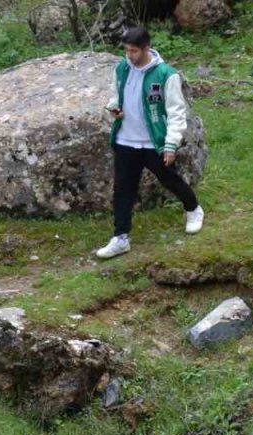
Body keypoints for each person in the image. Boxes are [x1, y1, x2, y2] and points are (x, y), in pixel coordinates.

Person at [96, 26, 205, 260]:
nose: (129, 55)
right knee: (123, 190)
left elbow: (176, 112)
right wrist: (112, 109)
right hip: (126, 139)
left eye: (134, 51)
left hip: (152, 142)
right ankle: (120, 237)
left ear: (146, 48)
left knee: (169, 179)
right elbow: (115, 96)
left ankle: (193, 209)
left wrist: (170, 144)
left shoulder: (166, 75)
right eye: (126, 50)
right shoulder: (122, 68)